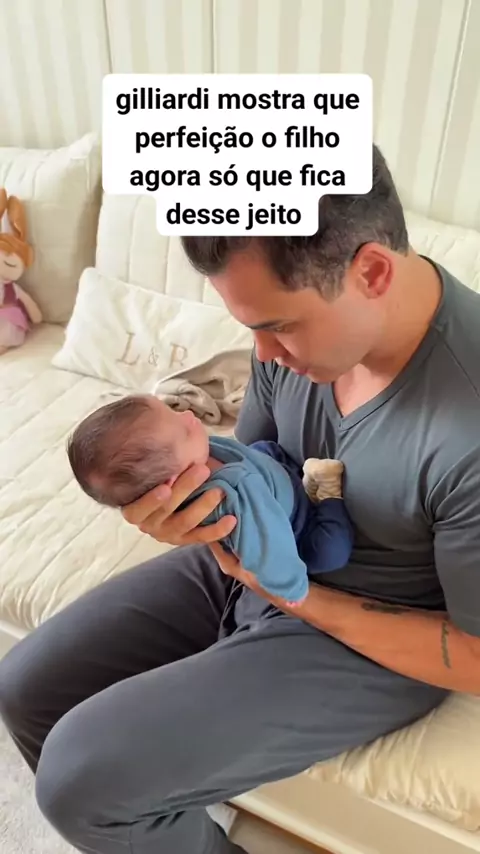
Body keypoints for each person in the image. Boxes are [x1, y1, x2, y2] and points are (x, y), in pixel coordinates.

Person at [2, 143, 480, 854]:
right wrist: (193, 513)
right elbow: (255, 458)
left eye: (278, 325)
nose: (262, 354)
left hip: (369, 634)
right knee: (25, 689)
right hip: (262, 552)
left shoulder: (467, 425)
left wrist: (297, 598)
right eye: (250, 326)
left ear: (372, 272)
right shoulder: (288, 346)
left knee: (79, 782)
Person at [66, 393, 353, 603]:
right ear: (172, 481)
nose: (189, 416)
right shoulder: (232, 499)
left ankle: (295, 475)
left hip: (272, 476)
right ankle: (327, 494)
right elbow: (268, 544)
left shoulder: (192, 456)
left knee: (264, 448)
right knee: (330, 552)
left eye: (173, 411)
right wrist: (290, 587)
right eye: (183, 429)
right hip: (296, 523)